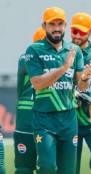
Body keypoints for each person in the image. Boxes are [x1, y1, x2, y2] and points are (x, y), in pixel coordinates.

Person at [25, 7, 91, 174]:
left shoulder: (74, 50)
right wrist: (64, 68)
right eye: (52, 24)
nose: (56, 28)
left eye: (60, 24)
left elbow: (81, 86)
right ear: (44, 26)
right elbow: (37, 83)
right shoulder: (34, 50)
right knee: (48, 167)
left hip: (68, 119)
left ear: (65, 26)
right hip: (44, 119)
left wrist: (85, 78)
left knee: (68, 170)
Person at [70, 12, 91, 174]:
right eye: (74, 30)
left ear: (90, 32)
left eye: (82, 32)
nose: (77, 35)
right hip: (71, 119)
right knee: (71, 167)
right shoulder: (65, 51)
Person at [14, 27, 46, 174]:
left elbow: (20, 89)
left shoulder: (24, 57)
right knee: (46, 165)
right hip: (39, 114)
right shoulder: (55, 58)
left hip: (26, 114)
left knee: (26, 166)